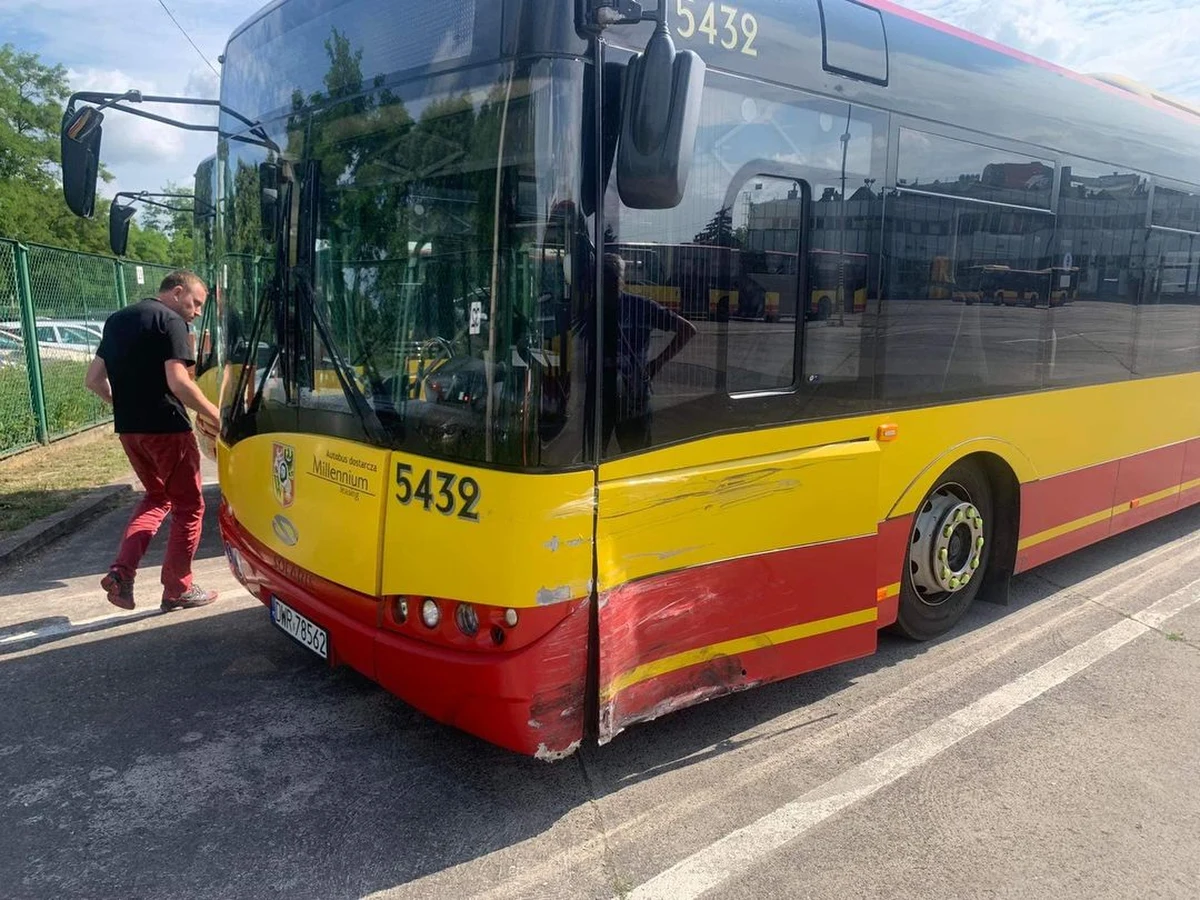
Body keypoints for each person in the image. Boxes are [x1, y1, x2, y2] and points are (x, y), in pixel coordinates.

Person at [84, 270, 223, 612]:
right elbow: (178, 382)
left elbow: (93, 380)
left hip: (130, 431)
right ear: (177, 293)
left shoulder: (117, 320)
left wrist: (127, 407)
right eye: (196, 302)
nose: (197, 311)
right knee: (189, 507)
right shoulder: (171, 322)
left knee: (156, 498)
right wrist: (218, 418)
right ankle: (178, 589)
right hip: (166, 429)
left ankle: (121, 573)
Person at [590, 253, 696, 453]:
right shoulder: (639, 306)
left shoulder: (593, 308)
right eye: (607, 276)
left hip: (621, 397)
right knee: (631, 456)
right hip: (621, 396)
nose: (611, 282)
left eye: (613, 276)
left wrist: (657, 362)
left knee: (625, 455)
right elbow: (688, 330)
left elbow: (688, 330)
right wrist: (657, 363)